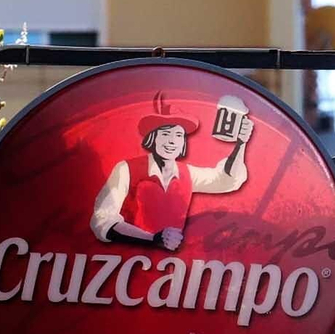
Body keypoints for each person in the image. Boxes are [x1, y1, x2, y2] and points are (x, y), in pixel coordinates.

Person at [90, 94, 254, 250]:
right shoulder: (126, 169)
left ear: (183, 143)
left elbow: (226, 180)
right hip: (129, 265)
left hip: (171, 269)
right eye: (165, 134)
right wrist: (152, 239)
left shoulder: (187, 173)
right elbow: (103, 219)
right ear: (152, 139)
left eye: (178, 135)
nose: (171, 141)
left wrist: (240, 145)